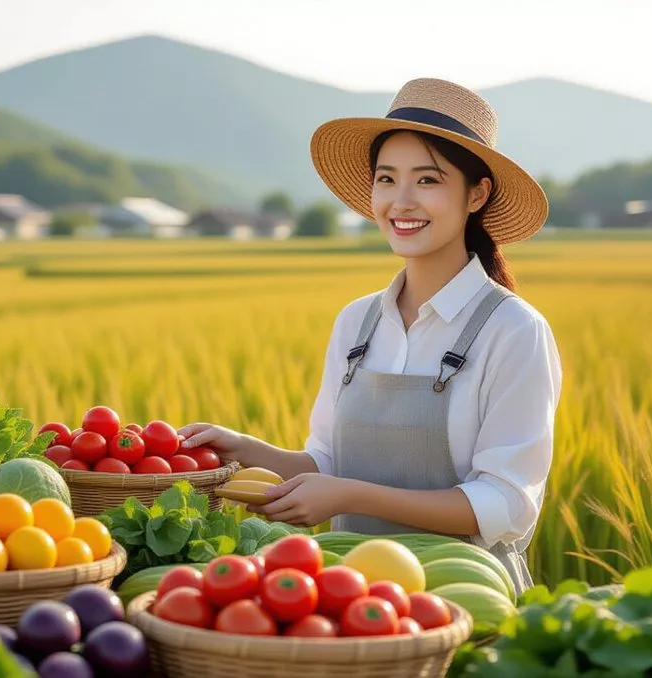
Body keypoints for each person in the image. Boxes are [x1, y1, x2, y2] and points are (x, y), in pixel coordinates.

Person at [178, 78, 562, 594]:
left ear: (477, 193)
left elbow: (506, 504)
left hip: (461, 598)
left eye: (427, 181)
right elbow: (328, 464)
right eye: (387, 179)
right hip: (349, 597)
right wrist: (245, 449)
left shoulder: (513, 330)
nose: (401, 202)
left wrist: (351, 496)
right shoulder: (356, 323)